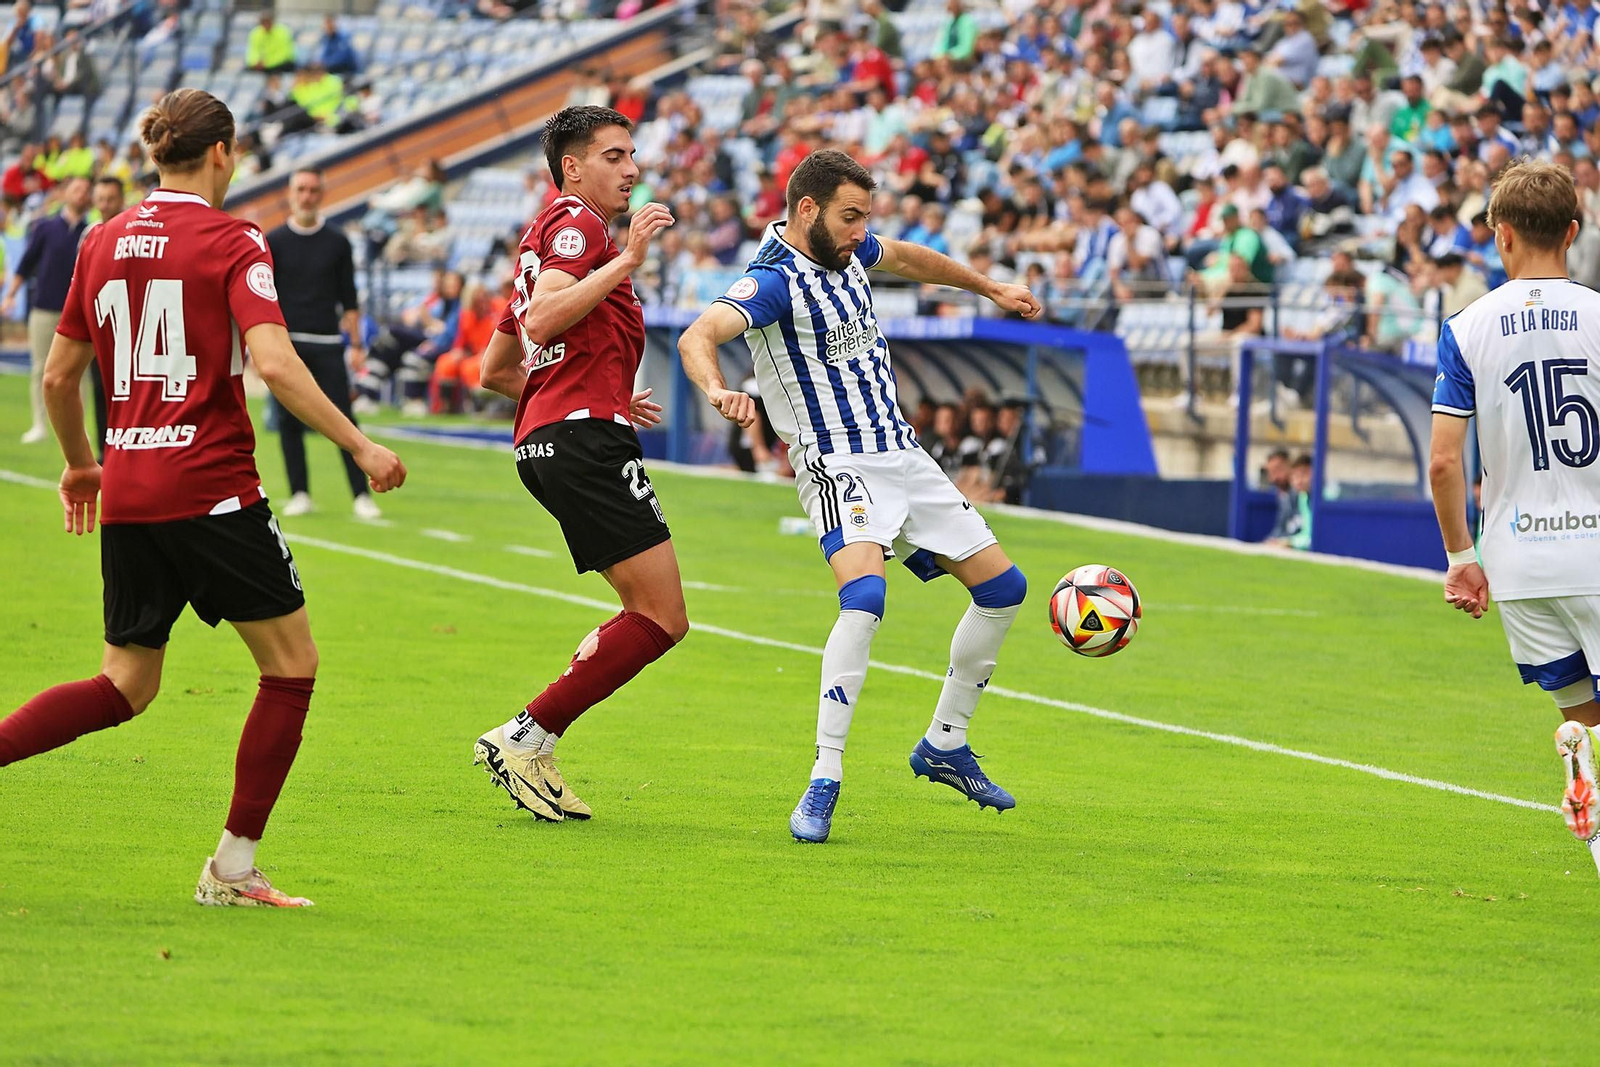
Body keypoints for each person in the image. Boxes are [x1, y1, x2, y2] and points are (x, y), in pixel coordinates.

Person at [0, 88, 406, 906]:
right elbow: (279, 362)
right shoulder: (234, 238)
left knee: (125, 683)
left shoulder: (101, 239)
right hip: (213, 489)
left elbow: (56, 375)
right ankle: (230, 868)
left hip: (131, 490)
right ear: (224, 152)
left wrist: (83, 464)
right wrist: (358, 444)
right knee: (291, 666)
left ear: (158, 155)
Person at [677, 149, 1040, 844]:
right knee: (866, 597)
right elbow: (700, 334)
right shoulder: (773, 282)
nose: (860, 232)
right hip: (837, 463)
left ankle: (945, 743)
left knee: (1005, 589)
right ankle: (826, 774)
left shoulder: (849, 253)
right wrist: (715, 386)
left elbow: (910, 258)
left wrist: (989, 287)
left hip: (901, 453)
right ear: (806, 209)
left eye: (864, 219)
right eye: (849, 217)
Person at [470, 106, 682, 824]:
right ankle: (526, 736)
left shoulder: (544, 241)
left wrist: (598, 390)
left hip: (552, 437)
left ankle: (534, 737)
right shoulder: (579, 225)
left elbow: (497, 366)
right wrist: (627, 260)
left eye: (632, 156)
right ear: (573, 168)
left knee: (648, 610)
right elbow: (540, 320)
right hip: (584, 441)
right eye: (616, 156)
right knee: (662, 615)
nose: (632, 170)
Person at [1428, 160, 1600, 867]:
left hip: (1520, 564)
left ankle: (1581, 767)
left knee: (1583, 718)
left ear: (1500, 237)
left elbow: (1444, 462)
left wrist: (1461, 559)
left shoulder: (1466, 328)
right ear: (1572, 231)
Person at [265, 168, 378, 521]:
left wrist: (356, 343)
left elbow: (350, 298)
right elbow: (264, 296)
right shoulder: (275, 240)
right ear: (291, 194)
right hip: (288, 344)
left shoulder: (337, 241)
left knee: (344, 417)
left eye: (313, 190)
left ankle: (361, 495)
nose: (307, 196)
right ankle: (300, 492)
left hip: (328, 341)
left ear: (322, 194)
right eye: (301, 189)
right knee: (287, 421)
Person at [2, 175, 91, 444]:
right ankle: (40, 423)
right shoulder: (46, 227)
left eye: (86, 190)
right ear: (65, 193)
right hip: (44, 308)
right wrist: (11, 294)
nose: (81, 194)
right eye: (76, 188)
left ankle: (80, 426)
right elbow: (27, 263)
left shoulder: (91, 231)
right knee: (41, 368)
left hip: (79, 312)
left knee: (81, 371)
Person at [81, 174, 125, 458]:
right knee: (100, 388)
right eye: (100, 199)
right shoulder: (89, 234)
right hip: (101, 322)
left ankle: (130, 447)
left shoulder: (133, 229)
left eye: (110, 199)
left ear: (121, 199)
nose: (105, 205)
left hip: (128, 324)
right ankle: (103, 450)